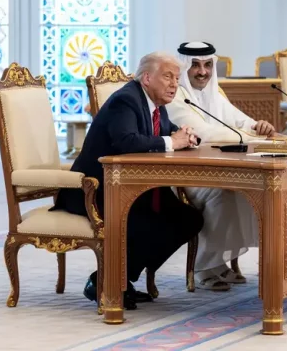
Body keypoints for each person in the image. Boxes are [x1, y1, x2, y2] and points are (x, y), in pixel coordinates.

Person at [52, 52, 204, 310]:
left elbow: (163, 130)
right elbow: (126, 141)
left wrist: (186, 135)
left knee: (189, 219)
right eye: (167, 76)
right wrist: (171, 142)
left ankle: (120, 278)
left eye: (176, 78)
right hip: (97, 191)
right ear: (147, 78)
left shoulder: (156, 104)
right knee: (146, 222)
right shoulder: (126, 100)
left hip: (134, 188)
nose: (173, 84)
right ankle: (107, 283)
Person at [166, 41, 275, 291]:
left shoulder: (213, 93)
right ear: (184, 67)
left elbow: (241, 121)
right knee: (221, 193)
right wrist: (250, 137)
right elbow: (203, 133)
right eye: (194, 65)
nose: (202, 71)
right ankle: (204, 266)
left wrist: (259, 127)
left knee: (242, 189)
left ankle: (218, 262)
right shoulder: (176, 96)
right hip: (184, 173)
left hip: (215, 168)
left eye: (207, 65)